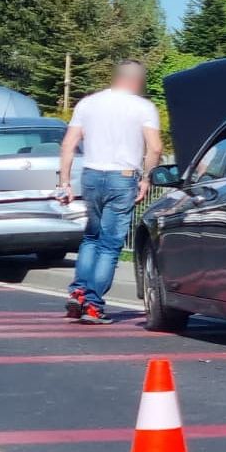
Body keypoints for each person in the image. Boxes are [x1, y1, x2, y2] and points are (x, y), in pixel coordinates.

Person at [55, 60, 163, 325]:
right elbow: (156, 148)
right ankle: (93, 304)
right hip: (122, 178)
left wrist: (65, 182)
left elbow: (68, 144)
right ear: (137, 81)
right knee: (111, 243)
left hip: (91, 175)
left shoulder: (88, 104)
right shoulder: (144, 108)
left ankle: (78, 292)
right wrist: (147, 178)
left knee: (91, 237)